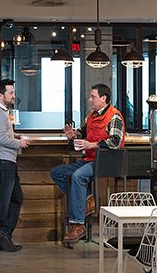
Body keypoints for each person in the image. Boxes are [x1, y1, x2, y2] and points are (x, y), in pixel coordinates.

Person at [51, 83, 124, 245]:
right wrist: (73, 134)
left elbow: (115, 142)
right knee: (57, 172)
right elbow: (82, 132)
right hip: (90, 160)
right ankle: (86, 199)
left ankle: (78, 224)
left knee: (78, 176)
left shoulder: (114, 116)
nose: (90, 100)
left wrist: (92, 145)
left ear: (103, 98)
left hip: (106, 162)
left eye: (93, 97)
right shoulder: (91, 115)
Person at [0, 78, 29, 252]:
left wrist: (16, 136)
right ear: (0, 95)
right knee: (4, 201)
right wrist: (19, 143)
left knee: (13, 199)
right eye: (10, 93)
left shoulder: (0, 111)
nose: (13, 95)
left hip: (4, 161)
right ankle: (1, 234)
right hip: (2, 161)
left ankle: (1, 238)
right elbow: (0, 138)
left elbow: (3, 134)